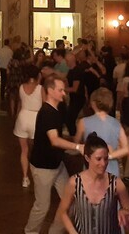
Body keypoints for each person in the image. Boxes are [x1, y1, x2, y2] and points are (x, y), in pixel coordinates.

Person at [24, 74, 85, 234]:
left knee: (69, 200)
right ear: (50, 91)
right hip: (43, 167)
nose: (64, 93)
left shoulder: (56, 109)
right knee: (42, 206)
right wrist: (78, 147)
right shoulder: (48, 112)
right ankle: (30, 232)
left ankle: (55, 231)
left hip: (56, 164)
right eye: (60, 90)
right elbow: (55, 140)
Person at [56, 133, 129, 234]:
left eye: (106, 158)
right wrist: (72, 231)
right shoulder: (74, 183)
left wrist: (125, 213)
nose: (103, 163)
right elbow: (63, 212)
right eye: (98, 159)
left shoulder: (116, 183)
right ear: (87, 158)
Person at [75, 88, 128, 179]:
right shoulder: (116, 124)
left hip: (91, 169)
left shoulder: (83, 122)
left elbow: (76, 142)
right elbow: (126, 149)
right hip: (112, 170)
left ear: (93, 103)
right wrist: (109, 156)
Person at [13, 64, 42, 188]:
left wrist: (16, 117)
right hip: (36, 118)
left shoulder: (21, 87)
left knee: (24, 150)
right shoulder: (40, 88)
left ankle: (25, 178)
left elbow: (20, 104)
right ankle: (37, 176)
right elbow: (45, 105)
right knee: (36, 150)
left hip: (23, 117)